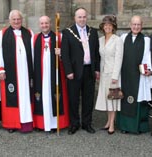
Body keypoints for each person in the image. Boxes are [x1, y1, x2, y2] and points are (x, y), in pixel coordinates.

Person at [61, 7, 100, 135]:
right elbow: (65, 54)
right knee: (73, 99)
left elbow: (96, 53)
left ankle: (87, 123)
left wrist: (97, 69)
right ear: (75, 18)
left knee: (88, 98)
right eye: (79, 17)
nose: (82, 19)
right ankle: (74, 124)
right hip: (74, 72)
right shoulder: (67, 33)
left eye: (84, 17)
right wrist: (68, 71)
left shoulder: (93, 32)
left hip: (89, 70)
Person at [0, 10, 34, 133]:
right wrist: (0, 69)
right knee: (11, 97)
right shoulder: (3, 33)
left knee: (27, 96)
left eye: (18, 19)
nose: (16, 21)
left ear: (22, 20)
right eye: (14, 19)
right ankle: (11, 124)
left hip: (26, 72)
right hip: (11, 73)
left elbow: (33, 52)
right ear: (9, 20)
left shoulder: (29, 33)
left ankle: (26, 122)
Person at [116, 15, 152, 134]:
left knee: (138, 99)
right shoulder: (123, 38)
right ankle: (124, 126)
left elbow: (147, 57)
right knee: (124, 99)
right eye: (134, 24)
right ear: (130, 25)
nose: (136, 27)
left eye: (138, 24)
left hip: (139, 76)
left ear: (141, 26)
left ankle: (137, 127)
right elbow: (118, 55)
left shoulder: (146, 40)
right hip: (125, 75)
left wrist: (147, 70)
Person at [33, 16, 70, 132]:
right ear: (39, 25)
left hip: (55, 75)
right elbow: (32, 57)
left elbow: (67, 56)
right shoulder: (34, 38)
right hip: (41, 75)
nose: (44, 25)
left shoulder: (59, 37)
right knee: (42, 96)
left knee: (55, 97)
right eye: (42, 23)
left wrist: (61, 53)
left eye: (46, 23)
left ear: (50, 24)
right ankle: (42, 123)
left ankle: (54, 124)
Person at [95, 15, 123, 135]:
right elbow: (99, 57)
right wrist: (98, 72)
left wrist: (115, 76)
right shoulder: (100, 40)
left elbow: (119, 59)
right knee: (106, 99)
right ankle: (108, 121)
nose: (107, 27)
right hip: (103, 73)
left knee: (112, 98)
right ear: (103, 27)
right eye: (105, 25)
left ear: (113, 27)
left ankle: (112, 124)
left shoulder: (117, 40)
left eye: (110, 25)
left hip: (113, 74)